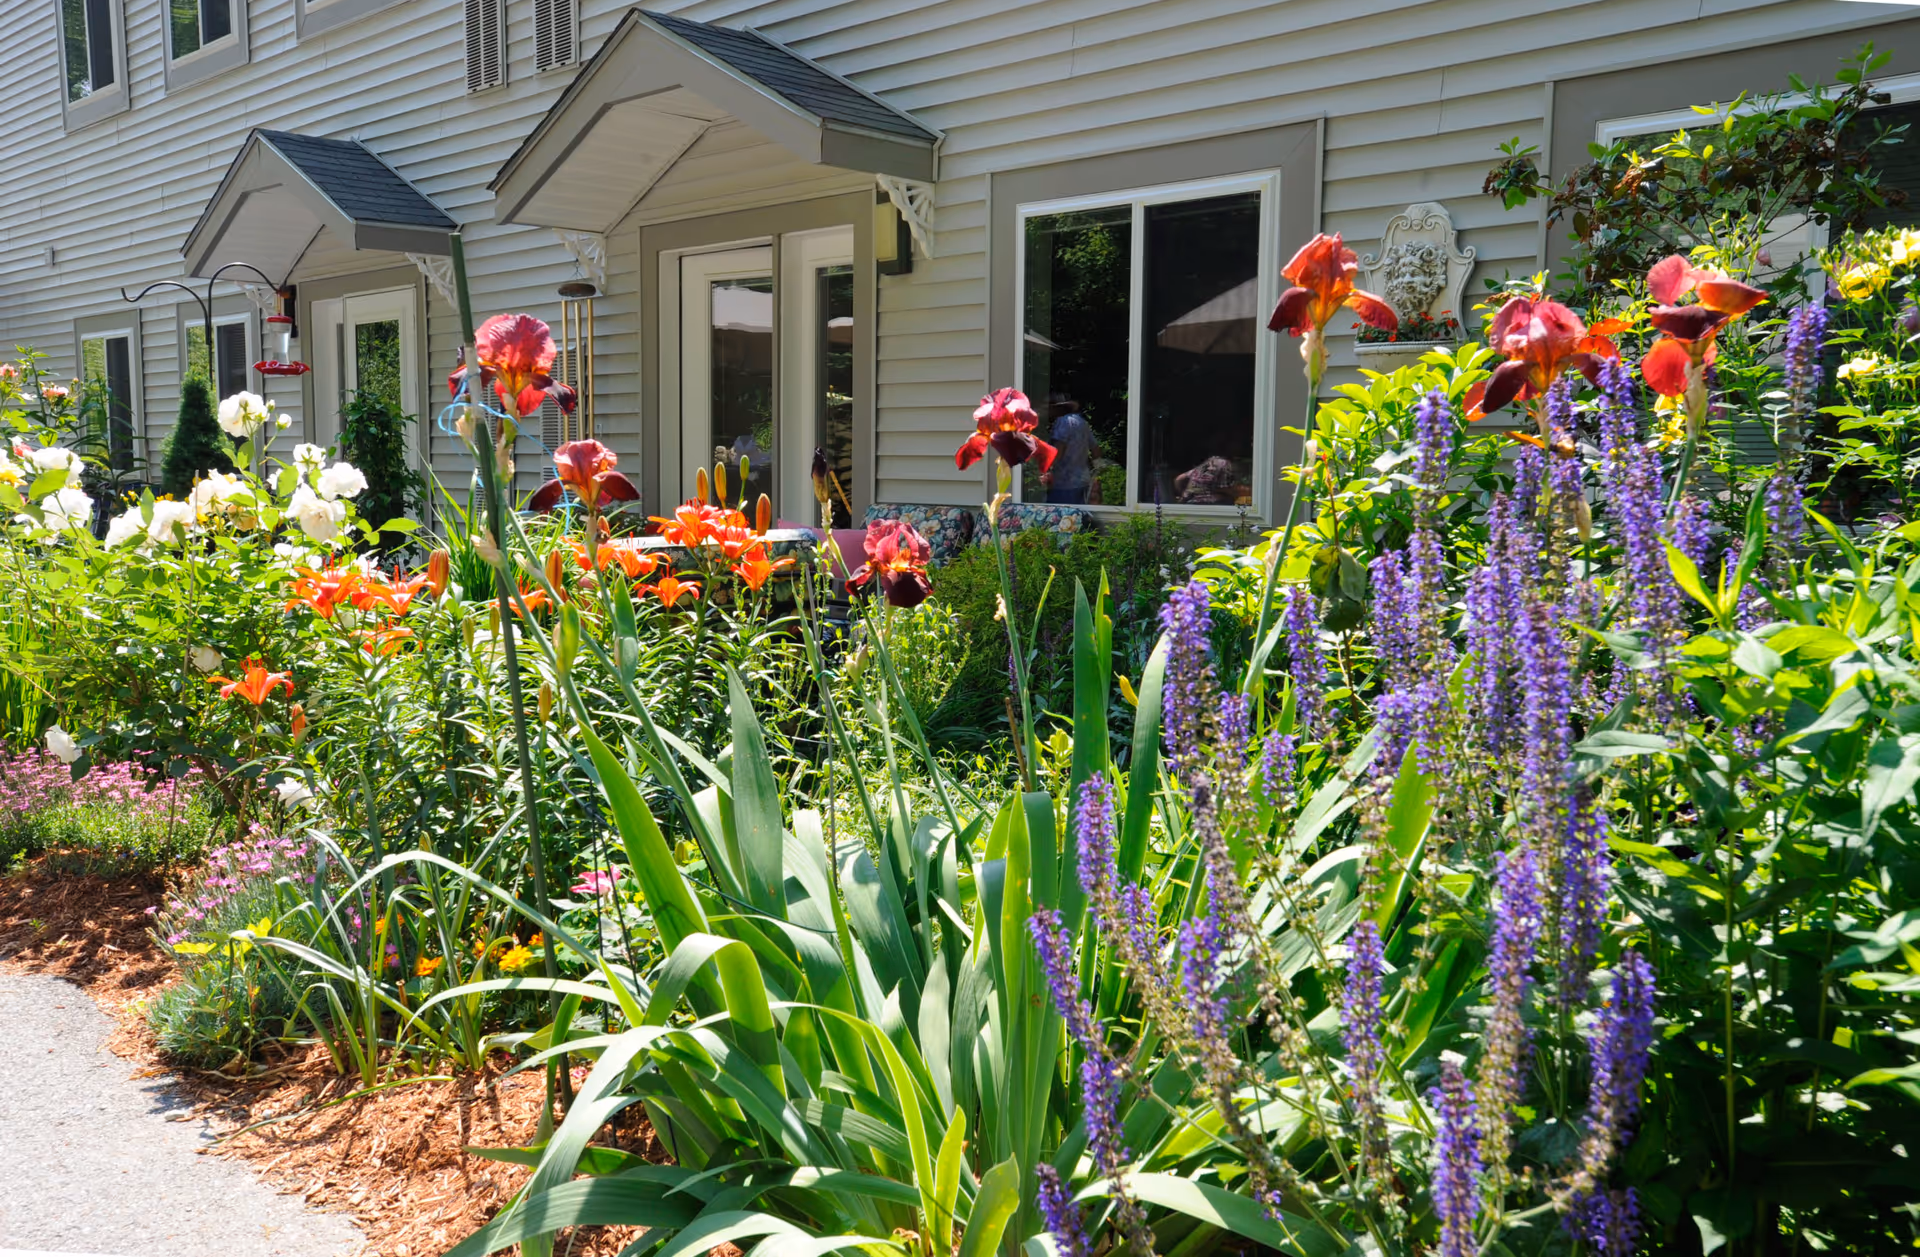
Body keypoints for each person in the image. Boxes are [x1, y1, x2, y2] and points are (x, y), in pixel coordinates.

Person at [1042, 393, 1094, 505]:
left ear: (1057, 408)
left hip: (1064, 483)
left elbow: (1059, 450)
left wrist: (1047, 470)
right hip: (1083, 481)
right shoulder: (1082, 422)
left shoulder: (1062, 422)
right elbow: (1096, 451)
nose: (1047, 412)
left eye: (1049, 408)